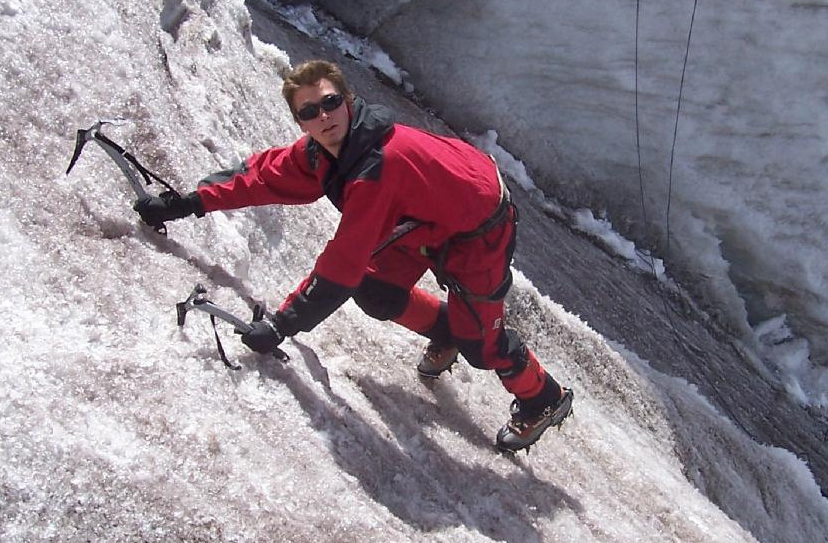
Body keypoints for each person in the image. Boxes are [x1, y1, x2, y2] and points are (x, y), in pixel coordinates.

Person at [134, 59, 573, 452]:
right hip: (426, 210)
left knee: (482, 344)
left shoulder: (376, 169)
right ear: (299, 122)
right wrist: (186, 202)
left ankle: (544, 398)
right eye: (309, 112)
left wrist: (282, 324)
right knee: (376, 290)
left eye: (330, 103)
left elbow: (341, 263)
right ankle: (447, 329)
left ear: (349, 101)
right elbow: (259, 178)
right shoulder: (323, 151)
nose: (323, 116)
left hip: (478, 224)